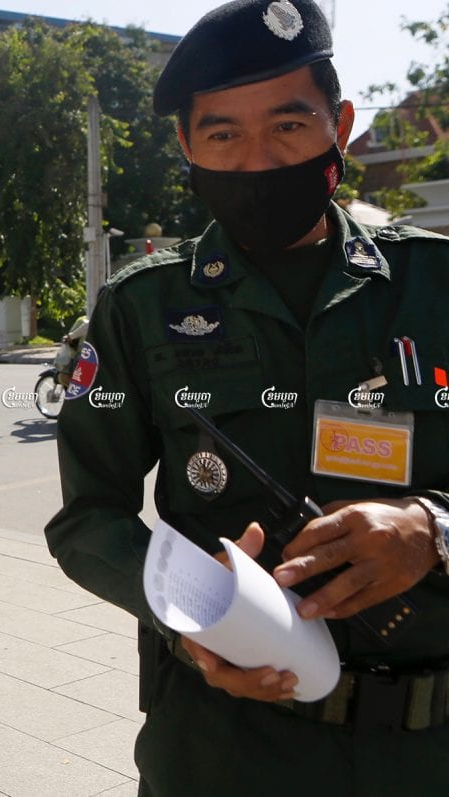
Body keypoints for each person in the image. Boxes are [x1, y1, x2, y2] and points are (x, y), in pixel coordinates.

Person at [45, 1, 449, 794]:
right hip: (221, 750)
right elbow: (87, 520)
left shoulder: (437, 286)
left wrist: (431, 529)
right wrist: (188, 615)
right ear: (187, 145)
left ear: (339, 124)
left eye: (289, 127)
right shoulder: (140, 307)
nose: (258, 161)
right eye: (224, 134)